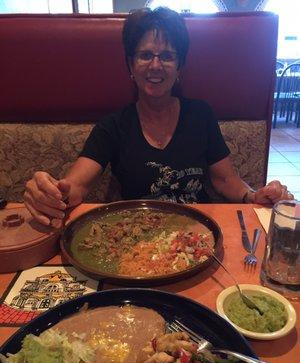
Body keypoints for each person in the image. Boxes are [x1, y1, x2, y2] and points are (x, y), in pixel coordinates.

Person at [24, 7, 294, 228]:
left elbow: (225, 180)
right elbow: (77, 185)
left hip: (197, 233)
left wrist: (253, 195)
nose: (155, 65)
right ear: (131, 65)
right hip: (136, 238)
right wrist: (51, 194)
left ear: (179, 67)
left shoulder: (201, 114)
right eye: (145, 55)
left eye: (166, 56)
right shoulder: (113, 126)